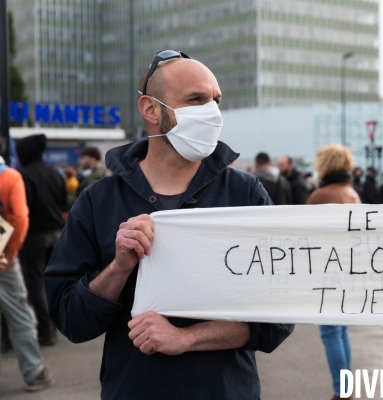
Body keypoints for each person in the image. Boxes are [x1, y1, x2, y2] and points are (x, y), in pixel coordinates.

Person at [43, 50, 293, 399]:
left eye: (216, 100)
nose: (212, 113)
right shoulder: (98, 201)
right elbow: (70, 319)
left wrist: (187, 337)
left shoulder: (244, 192)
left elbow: (280, 314)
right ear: (151, 109)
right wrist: (119, 268)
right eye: (196, 100)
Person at [306, 143, 359, 400]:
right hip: (349, 269)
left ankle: (342, 390)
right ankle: (346, 385)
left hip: (329, 271)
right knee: (340, 330)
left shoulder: (321, 195)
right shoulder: (352, 193)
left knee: (331, 331)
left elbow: (303, 234)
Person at [0, 154, 54, 392]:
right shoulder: (9, 177)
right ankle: (34, 372)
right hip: (4, 258)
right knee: (20, 313)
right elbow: (20, 217)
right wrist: (9, 252)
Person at [15, 134, 67, 346]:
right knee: (52, 282)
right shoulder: (55, 174)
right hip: (56, 234)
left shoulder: (23, 175)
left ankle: (45, 331)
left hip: (33, 236)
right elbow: (65, 209)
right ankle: (56, 323)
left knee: (34, 284)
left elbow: (20, 212)